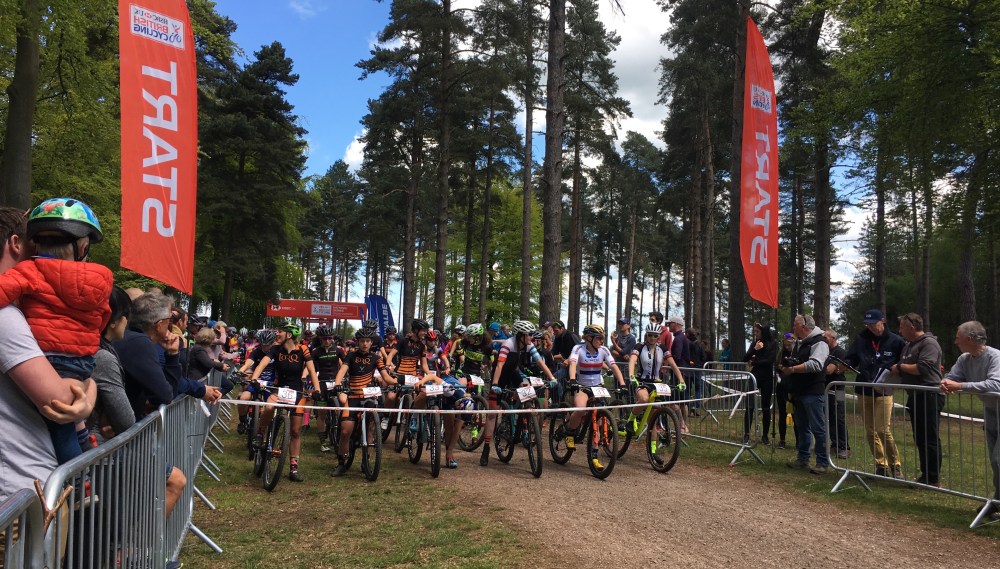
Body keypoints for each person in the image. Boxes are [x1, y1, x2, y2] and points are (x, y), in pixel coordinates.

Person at [0, 197, 112, 465]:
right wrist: (87, 389)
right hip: (25, 478)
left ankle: (83, 479)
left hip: (33, 472)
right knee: (70, 430)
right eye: (36, 244)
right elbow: (60, 401)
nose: (43, 253)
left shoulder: (23, 287)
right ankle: (83, 480)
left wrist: (86, 394)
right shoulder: (7, 319)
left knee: (68, 431)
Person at [940, 321, 1000, 519]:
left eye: (958, 337)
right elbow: (952, 376)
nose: (955, 341)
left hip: (995, 406)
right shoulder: (965, 358)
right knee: (995, 461)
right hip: (991, 411)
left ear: (969, 339)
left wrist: (960, 386)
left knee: (998, 460)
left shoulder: (995, 356)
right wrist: (945, 382)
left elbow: (994, 384)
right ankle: (998, 500)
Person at [251, 321, 321, 482]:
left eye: (280, 332)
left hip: (297, 392)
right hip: (278, 389)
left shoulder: (303, 350)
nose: (277, 334)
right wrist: (255, 379)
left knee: (295, 431)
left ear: (289, 335)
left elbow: (311, 370)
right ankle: (260, 433)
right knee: (268, 407)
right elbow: (262, 364)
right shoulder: (276, 349)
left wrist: (317, 390)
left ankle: (293, 467)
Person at [483, 320, 556, 466]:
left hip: (514, 373)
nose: (531, 338)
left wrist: (552, 377)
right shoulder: (508, 344)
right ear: (520, 335)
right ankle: (486, 448)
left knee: (526, 387)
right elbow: (499, 366)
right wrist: (495, 384)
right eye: (529, 335)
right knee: (492, 413)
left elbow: (540, 363)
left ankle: (525, 416)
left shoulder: (529, 346)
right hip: (500, 375)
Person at [845, 308, 905, 478]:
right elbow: (852, 358)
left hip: (884, 390)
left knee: (882, 429)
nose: (871, 327)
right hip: (864, 389)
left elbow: (904, 361)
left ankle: (896, 464)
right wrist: (844, 363)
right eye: (868, 324)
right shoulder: (861, 339)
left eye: (874, 323)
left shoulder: (896, 341)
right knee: (870, 430)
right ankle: (881, 465)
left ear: (883, 321)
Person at [330, 327, 396, 476]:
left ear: (371, 342)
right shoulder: (351, 356)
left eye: (367, 341)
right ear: (358, 342)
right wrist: (337, 383)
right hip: (352, 396)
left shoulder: (376, 358)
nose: (365, 344)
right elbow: (342, 371)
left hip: (369, 396)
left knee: (371, 428)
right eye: (362, 341)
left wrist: (395, 382)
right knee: (346, 430)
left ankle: (366, 459)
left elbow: (385, 377)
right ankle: (341, 463)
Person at [565, 324, 626, 470]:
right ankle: (570, 432)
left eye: (602, 338)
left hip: (598, 387)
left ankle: (594, 456)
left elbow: (614, 366)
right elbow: (572, 364)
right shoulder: (578, 349)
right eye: (599, 338)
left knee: (599, 421)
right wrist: (572, 380)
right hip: (581, 386)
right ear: (589, 338)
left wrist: (623, 384)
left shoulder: (604, 350)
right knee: (580, 409)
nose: (601, 341)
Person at [893, 313, 943, 487]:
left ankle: (933, 478)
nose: (900, 331)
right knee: (920, 437)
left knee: (930, 436)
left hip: (929, 394)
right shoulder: (908, 346)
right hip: (914, 395)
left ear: (911, 327)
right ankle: (925, 475)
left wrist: (900, 367)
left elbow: (923, 368)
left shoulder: (929, 343)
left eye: (902, 327)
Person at [778, 314, 831, 475]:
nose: (793, 327)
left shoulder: (820, 342)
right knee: (802, 426)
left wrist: (793, 369)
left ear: (804, 326)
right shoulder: (799, 343)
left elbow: (816, 364)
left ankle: (822, 462)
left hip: (813, 391)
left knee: (818, 427)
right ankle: (803, 458)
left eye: (795, 325)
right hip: (799, 390)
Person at [90, 287, 137, 440]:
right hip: (96, 449)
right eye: (126, 315)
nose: (128, 321)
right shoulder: (103, 357)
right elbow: (126, 421)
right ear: (113, 320)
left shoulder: (94, 348)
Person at [628, 322, 687, 434]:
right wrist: (631, 375)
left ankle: (653, 449)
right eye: (650, 335)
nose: (652, 338)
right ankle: (631, 419)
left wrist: (681, 380)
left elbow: (673, 365)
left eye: (655, 335)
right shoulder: (639, 346)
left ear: (659, 336)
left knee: (654, 420)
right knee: (644, 399)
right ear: (646, 335)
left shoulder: (662, 348)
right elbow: (632, 360)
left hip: (657, 383)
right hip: (642, 382)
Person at [744, 322, 777, 445]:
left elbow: (769, 360)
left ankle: (765, 435)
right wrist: (754, 349)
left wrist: (755, 362)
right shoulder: (755, 344)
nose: (755, 334)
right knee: (750, 405)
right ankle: (746, 433)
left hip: (767, 377)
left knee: (765, 407)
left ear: (764, 332)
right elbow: (744, 358)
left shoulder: (773, 344)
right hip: (755, 376)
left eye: (757, 332)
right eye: (755, 332)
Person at [824, 329, 850, 460]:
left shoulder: (839, 352)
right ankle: (835, 443)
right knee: (830, 415)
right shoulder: (826, 351)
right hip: (827, 388)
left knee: (839, 415)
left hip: (838, 388)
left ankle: (845, 446)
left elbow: (830, 370)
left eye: (826, 337)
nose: (824, 339)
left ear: (833, 338)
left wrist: (818, 367)